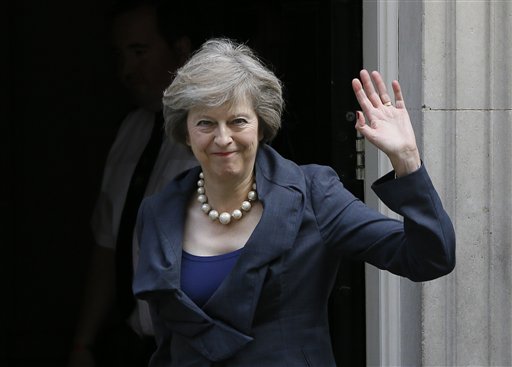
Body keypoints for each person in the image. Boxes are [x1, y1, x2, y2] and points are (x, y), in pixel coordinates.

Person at [133, 38, 456, 366]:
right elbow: (168, 339)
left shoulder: (315, 194)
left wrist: (406, 159)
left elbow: (431, 257)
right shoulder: (158, 212)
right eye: (205, 123)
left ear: (261, 126)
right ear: (185, 132)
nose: (222, 138)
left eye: (237, 121)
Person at [68, 1, 199, 366]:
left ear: (181, 50)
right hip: (136, 348)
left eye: (139, 52)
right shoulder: (133, 130)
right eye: (120, 55)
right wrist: (84, 344)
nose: (126, 70)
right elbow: (108, 243)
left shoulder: (218, 136)